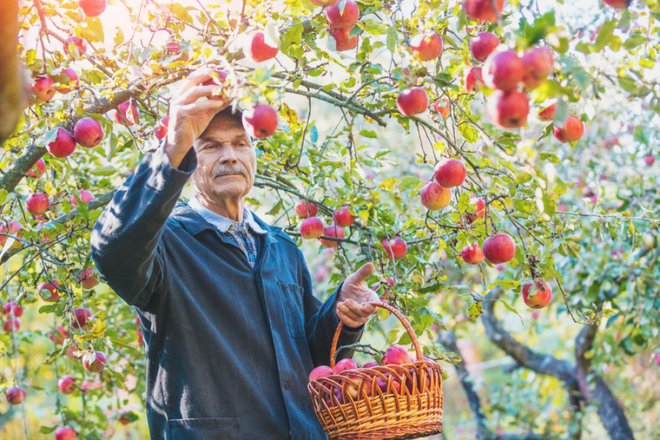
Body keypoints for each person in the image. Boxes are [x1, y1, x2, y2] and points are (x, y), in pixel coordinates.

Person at [90, 68, 380, 440]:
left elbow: (309, 361)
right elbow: (112, 252)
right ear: (188, 160)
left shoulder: (280, 248)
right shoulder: (166, 246)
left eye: (240, 143)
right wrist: (173, 143)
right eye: (210, 146)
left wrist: (342, 316)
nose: (229, 156)